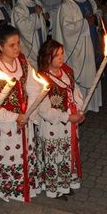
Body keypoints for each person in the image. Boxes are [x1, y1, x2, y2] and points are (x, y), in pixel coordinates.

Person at [0, 21, 40, 203]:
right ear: (0, 47)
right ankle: (6, 189)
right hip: (4, 127)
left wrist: (28, 112)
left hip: (24, 120)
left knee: (25, 154)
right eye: (12, 45)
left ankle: (26, 186)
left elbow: (33, 87)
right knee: (8, 157)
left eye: (18, 43)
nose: (17, 48)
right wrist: (15, 117)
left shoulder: (23, 61)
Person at [35, 39, 85, 199]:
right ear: (47, 57)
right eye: (56, 55)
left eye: (62, 54)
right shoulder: (41, 79)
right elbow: (44, 110)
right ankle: (54, 188)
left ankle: (66, 182)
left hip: (70, 123)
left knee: (67, 154)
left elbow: (75, 92)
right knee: (54, 156)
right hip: (53, 128)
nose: (61, 58)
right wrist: (68, 117)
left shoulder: (67, 72)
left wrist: (79, 109)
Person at [54, 0, 104, 113]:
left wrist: (95, 18)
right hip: (79, 48)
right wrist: (85, 23)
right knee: (82, 76)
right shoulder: (66, 5)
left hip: (93, 42)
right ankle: (80, 105)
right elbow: (67, 28)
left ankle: (93, 104)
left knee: (94, 71)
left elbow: (97, 12)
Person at [12, 0, 48, 69]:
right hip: (28, 50)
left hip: (41, 45)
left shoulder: (37, 3)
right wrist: (36, 15)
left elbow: (44, 23)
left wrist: (45, 18)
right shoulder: (19, 8)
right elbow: (24, 28)